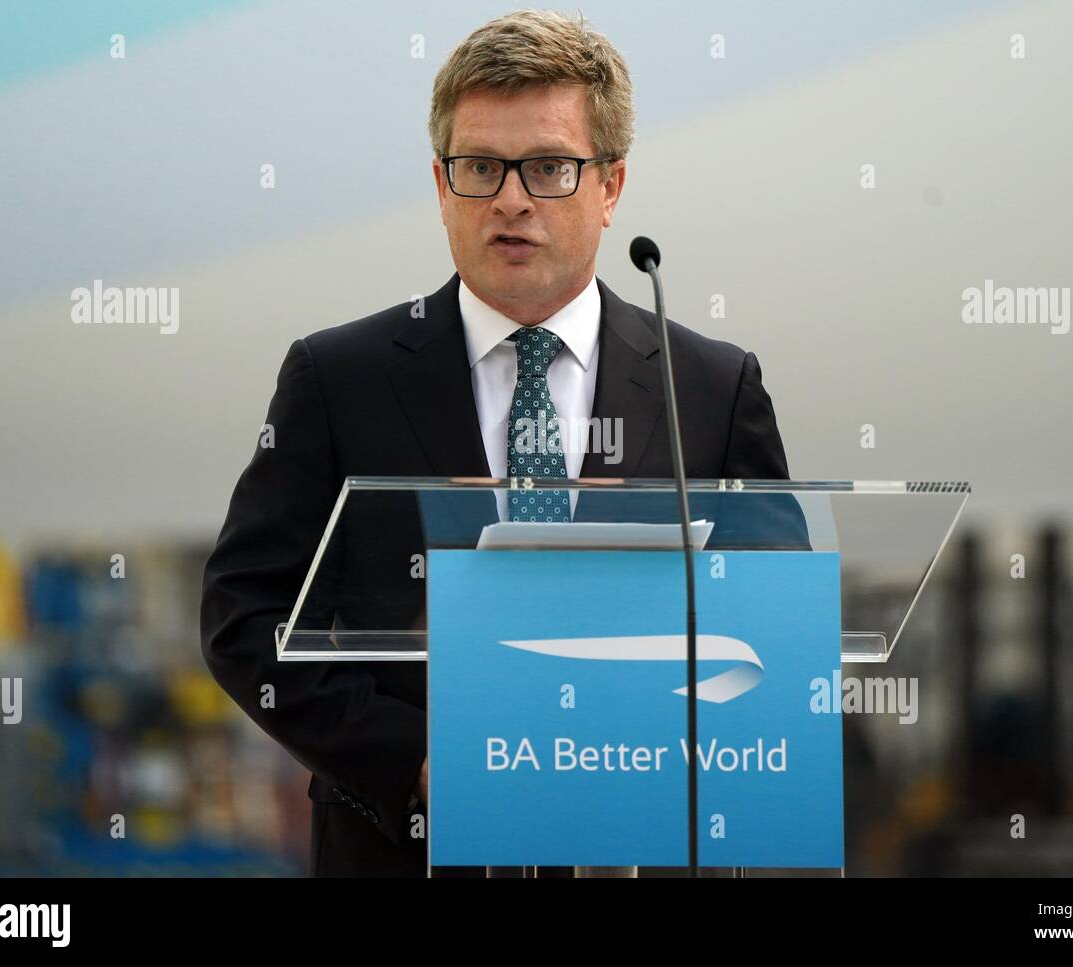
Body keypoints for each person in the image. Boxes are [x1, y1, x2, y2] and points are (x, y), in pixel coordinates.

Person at [200, 9, 795, 877]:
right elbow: (243, 619)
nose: (510, 199)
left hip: (647, 838)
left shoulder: (708, 386)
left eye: (549, 167)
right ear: (442, 185)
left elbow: (776, 628)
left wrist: (661, 749)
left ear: (612, 186)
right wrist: (416, 762)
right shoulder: (338, 378)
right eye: (480, 167)